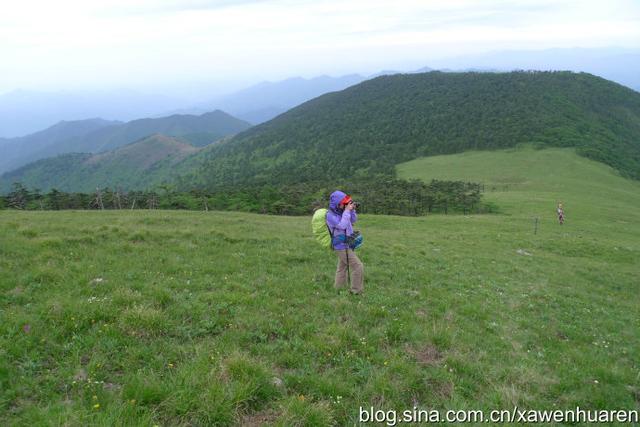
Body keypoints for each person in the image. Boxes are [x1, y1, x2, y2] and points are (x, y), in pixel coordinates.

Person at [326, 190, 364, 294]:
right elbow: (341, 225)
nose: (345, 205)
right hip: (340, 245)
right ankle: (356, 291)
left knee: (342, 267)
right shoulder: (330, 215)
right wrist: (347, 211)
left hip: (348, 242)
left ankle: (338, 288)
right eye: (344, 203)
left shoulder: (342, 211)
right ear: (338, 204)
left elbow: (353, 220)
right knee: (358, 266)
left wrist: (352, 211)